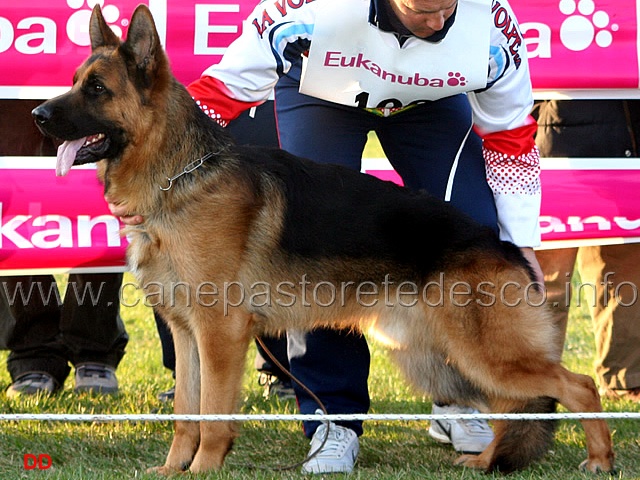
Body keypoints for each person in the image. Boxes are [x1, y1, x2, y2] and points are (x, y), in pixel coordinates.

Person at [113, 0, 541, 473]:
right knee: (309, 242)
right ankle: (333, 419)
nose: (437, 22)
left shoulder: (492, 24)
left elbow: (511, 135)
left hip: (433, 102)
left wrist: (521, 240)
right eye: (422, 10)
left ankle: (457, 400)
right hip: (322, 93)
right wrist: (158, 176)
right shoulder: (307, 8)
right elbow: (223, 89)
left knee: (470, 230)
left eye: (447, 8)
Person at [153, 101, 295, 403]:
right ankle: (190, 385)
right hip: (207, 93)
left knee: (223, 298)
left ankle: (285, 371)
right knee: (187, 300)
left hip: (262, 97)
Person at [0, 99, 128, 397]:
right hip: (9, 78)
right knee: (13, 207)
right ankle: (33, 352)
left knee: (99, 199)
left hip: (77, 65)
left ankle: (94, 347)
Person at [534, 99, 640, 402]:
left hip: (628, 150)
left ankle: (625, 378)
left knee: (626, 269)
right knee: (547, 276)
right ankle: (533, 378)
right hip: (561, 153)